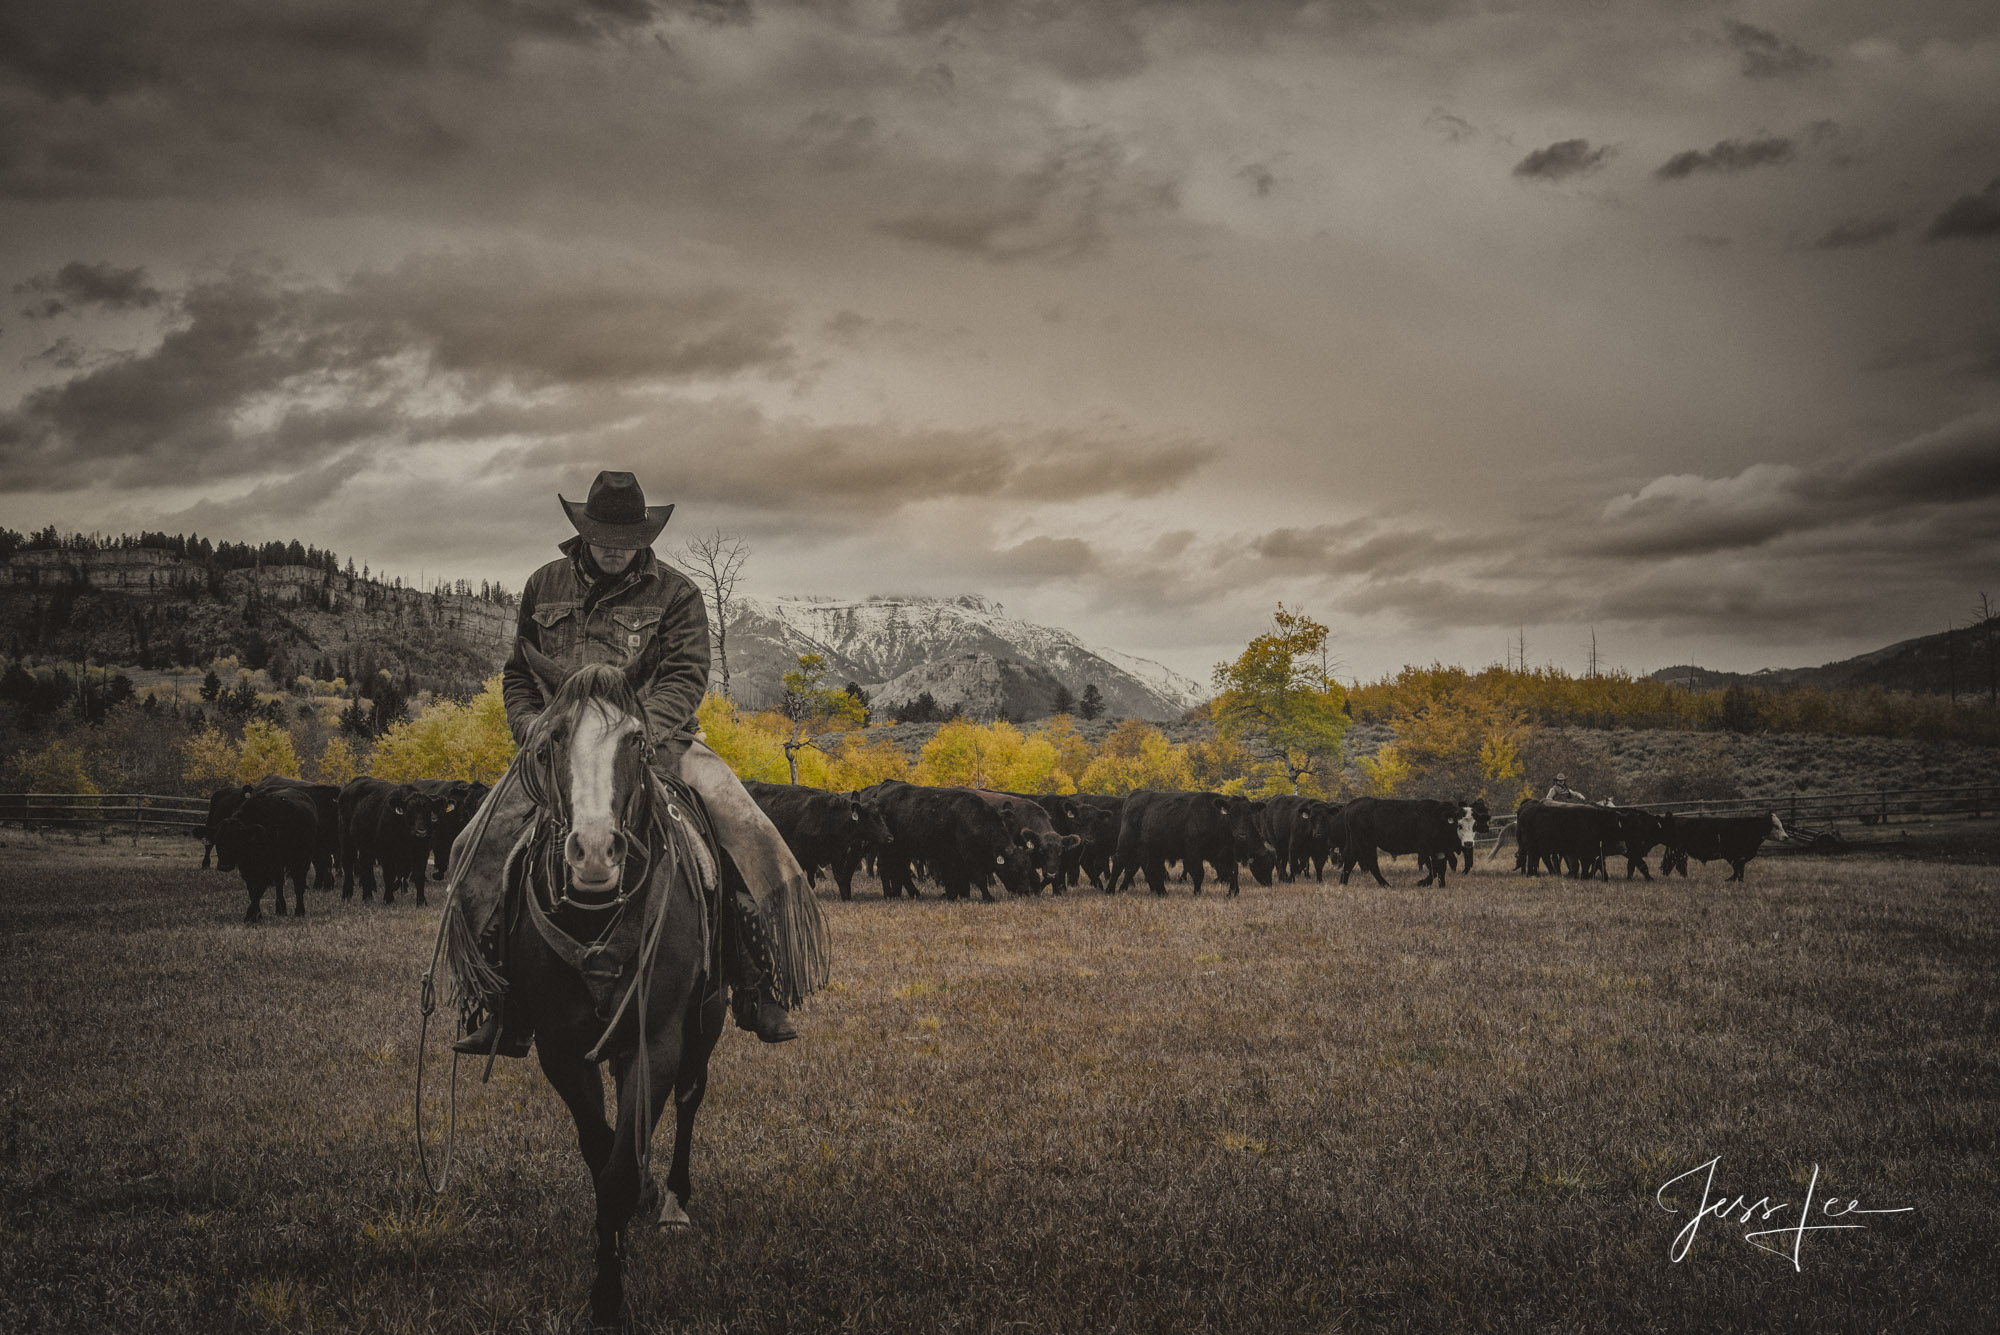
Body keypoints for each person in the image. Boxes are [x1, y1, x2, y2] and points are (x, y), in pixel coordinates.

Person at [445, 470, 826, 1055]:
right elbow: (519, 674)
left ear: (644, 536)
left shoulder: (677, 594)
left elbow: (685, 675)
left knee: (748, 830)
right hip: (559, 751)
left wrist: (634, 731)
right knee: (476, 844)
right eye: (603, 536)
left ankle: (757, 982)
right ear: (583, 530)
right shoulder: (541, 587)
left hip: (658, 741)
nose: (615, 548)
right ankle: (498, 1001)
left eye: (626, 538)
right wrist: (533, 730)